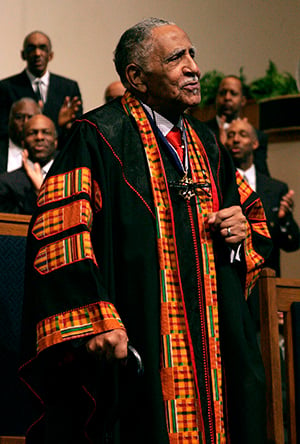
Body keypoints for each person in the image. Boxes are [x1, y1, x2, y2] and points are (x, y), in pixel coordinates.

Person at [20, 18, 272, 444]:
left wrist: (240, 229)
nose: (193, 67)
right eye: (177, 58)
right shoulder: (99, 136)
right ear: (136, 77)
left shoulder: (207, 143)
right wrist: (95, 319)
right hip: (136, 337)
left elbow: (251, 221)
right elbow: (60, 234)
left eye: (193, 54)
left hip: (213, 336)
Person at [0, 31, 82, 140]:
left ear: (50, 55)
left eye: (42, 48)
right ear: (23, 55)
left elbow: (78, 131)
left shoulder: (68, 87)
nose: (37, 53)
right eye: (31, 48)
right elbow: (2, 128)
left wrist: (63, 126)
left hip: (58, 153)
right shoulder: (6, 87)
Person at [205, 75, 270, 176]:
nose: (227, 98)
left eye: (233, 93)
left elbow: (262, 177)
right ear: (216, 98)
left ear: (243, 101)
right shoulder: (201, 132)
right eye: (222, 93)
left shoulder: (257, 136)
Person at [0, 114, 58, 214]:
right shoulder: (6, 183)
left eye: (46, 132)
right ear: (23, 143)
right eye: (33, 133)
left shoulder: (69, 178)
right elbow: (9, 224)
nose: (39, 137)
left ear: (56, 142)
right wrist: (37, 193)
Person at [0, 97, 41, 174]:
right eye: (19, 117)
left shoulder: (48, 153)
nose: (25, 122)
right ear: (10, 119)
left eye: (30, 117)